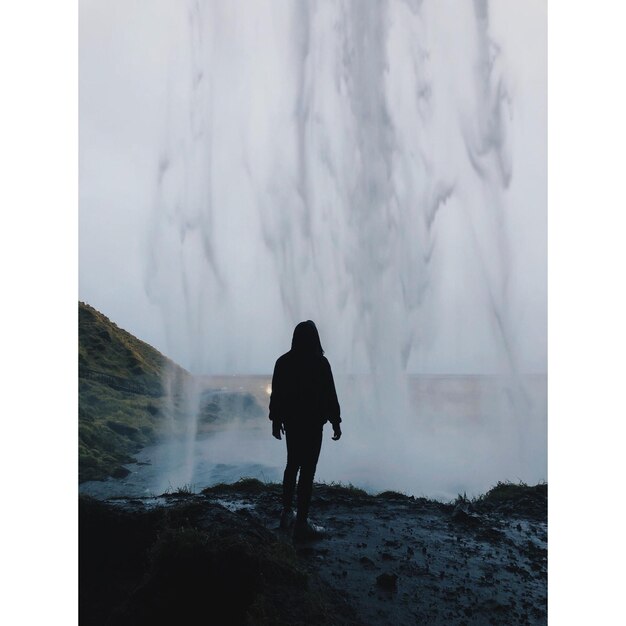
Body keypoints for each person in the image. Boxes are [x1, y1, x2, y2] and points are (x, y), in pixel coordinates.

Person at [269, 320, 342, 541]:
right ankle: (302, 523)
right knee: (308, 471)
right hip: (312, 425)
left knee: (292, 465)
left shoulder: (283, 362)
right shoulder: (321, 363)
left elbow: (277, 395)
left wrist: (275, 420)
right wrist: (336, 421)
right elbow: (330, 395)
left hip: (292, 424)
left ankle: (286, 513)